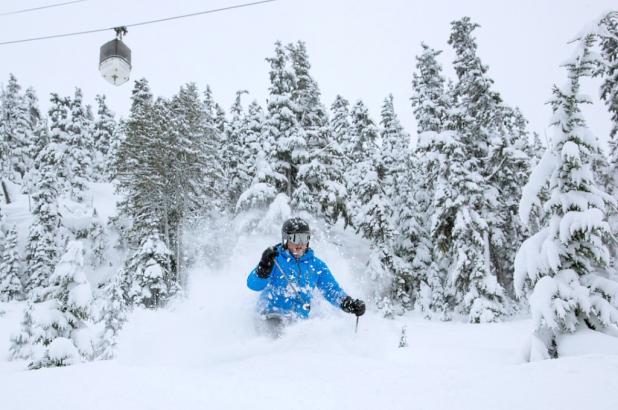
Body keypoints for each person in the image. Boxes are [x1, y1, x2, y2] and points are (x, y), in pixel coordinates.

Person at [247, 217, 366, 337]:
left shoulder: (316, 265)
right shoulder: (275, 260)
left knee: (310, 340)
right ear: (285, 239)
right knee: (280, 339)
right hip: (271, 315)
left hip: (297, 322)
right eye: (294, 238)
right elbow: (253, 285)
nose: (299, 244)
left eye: (303, 238)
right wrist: (263, 268)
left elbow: (331, 290)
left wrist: (348, 303)